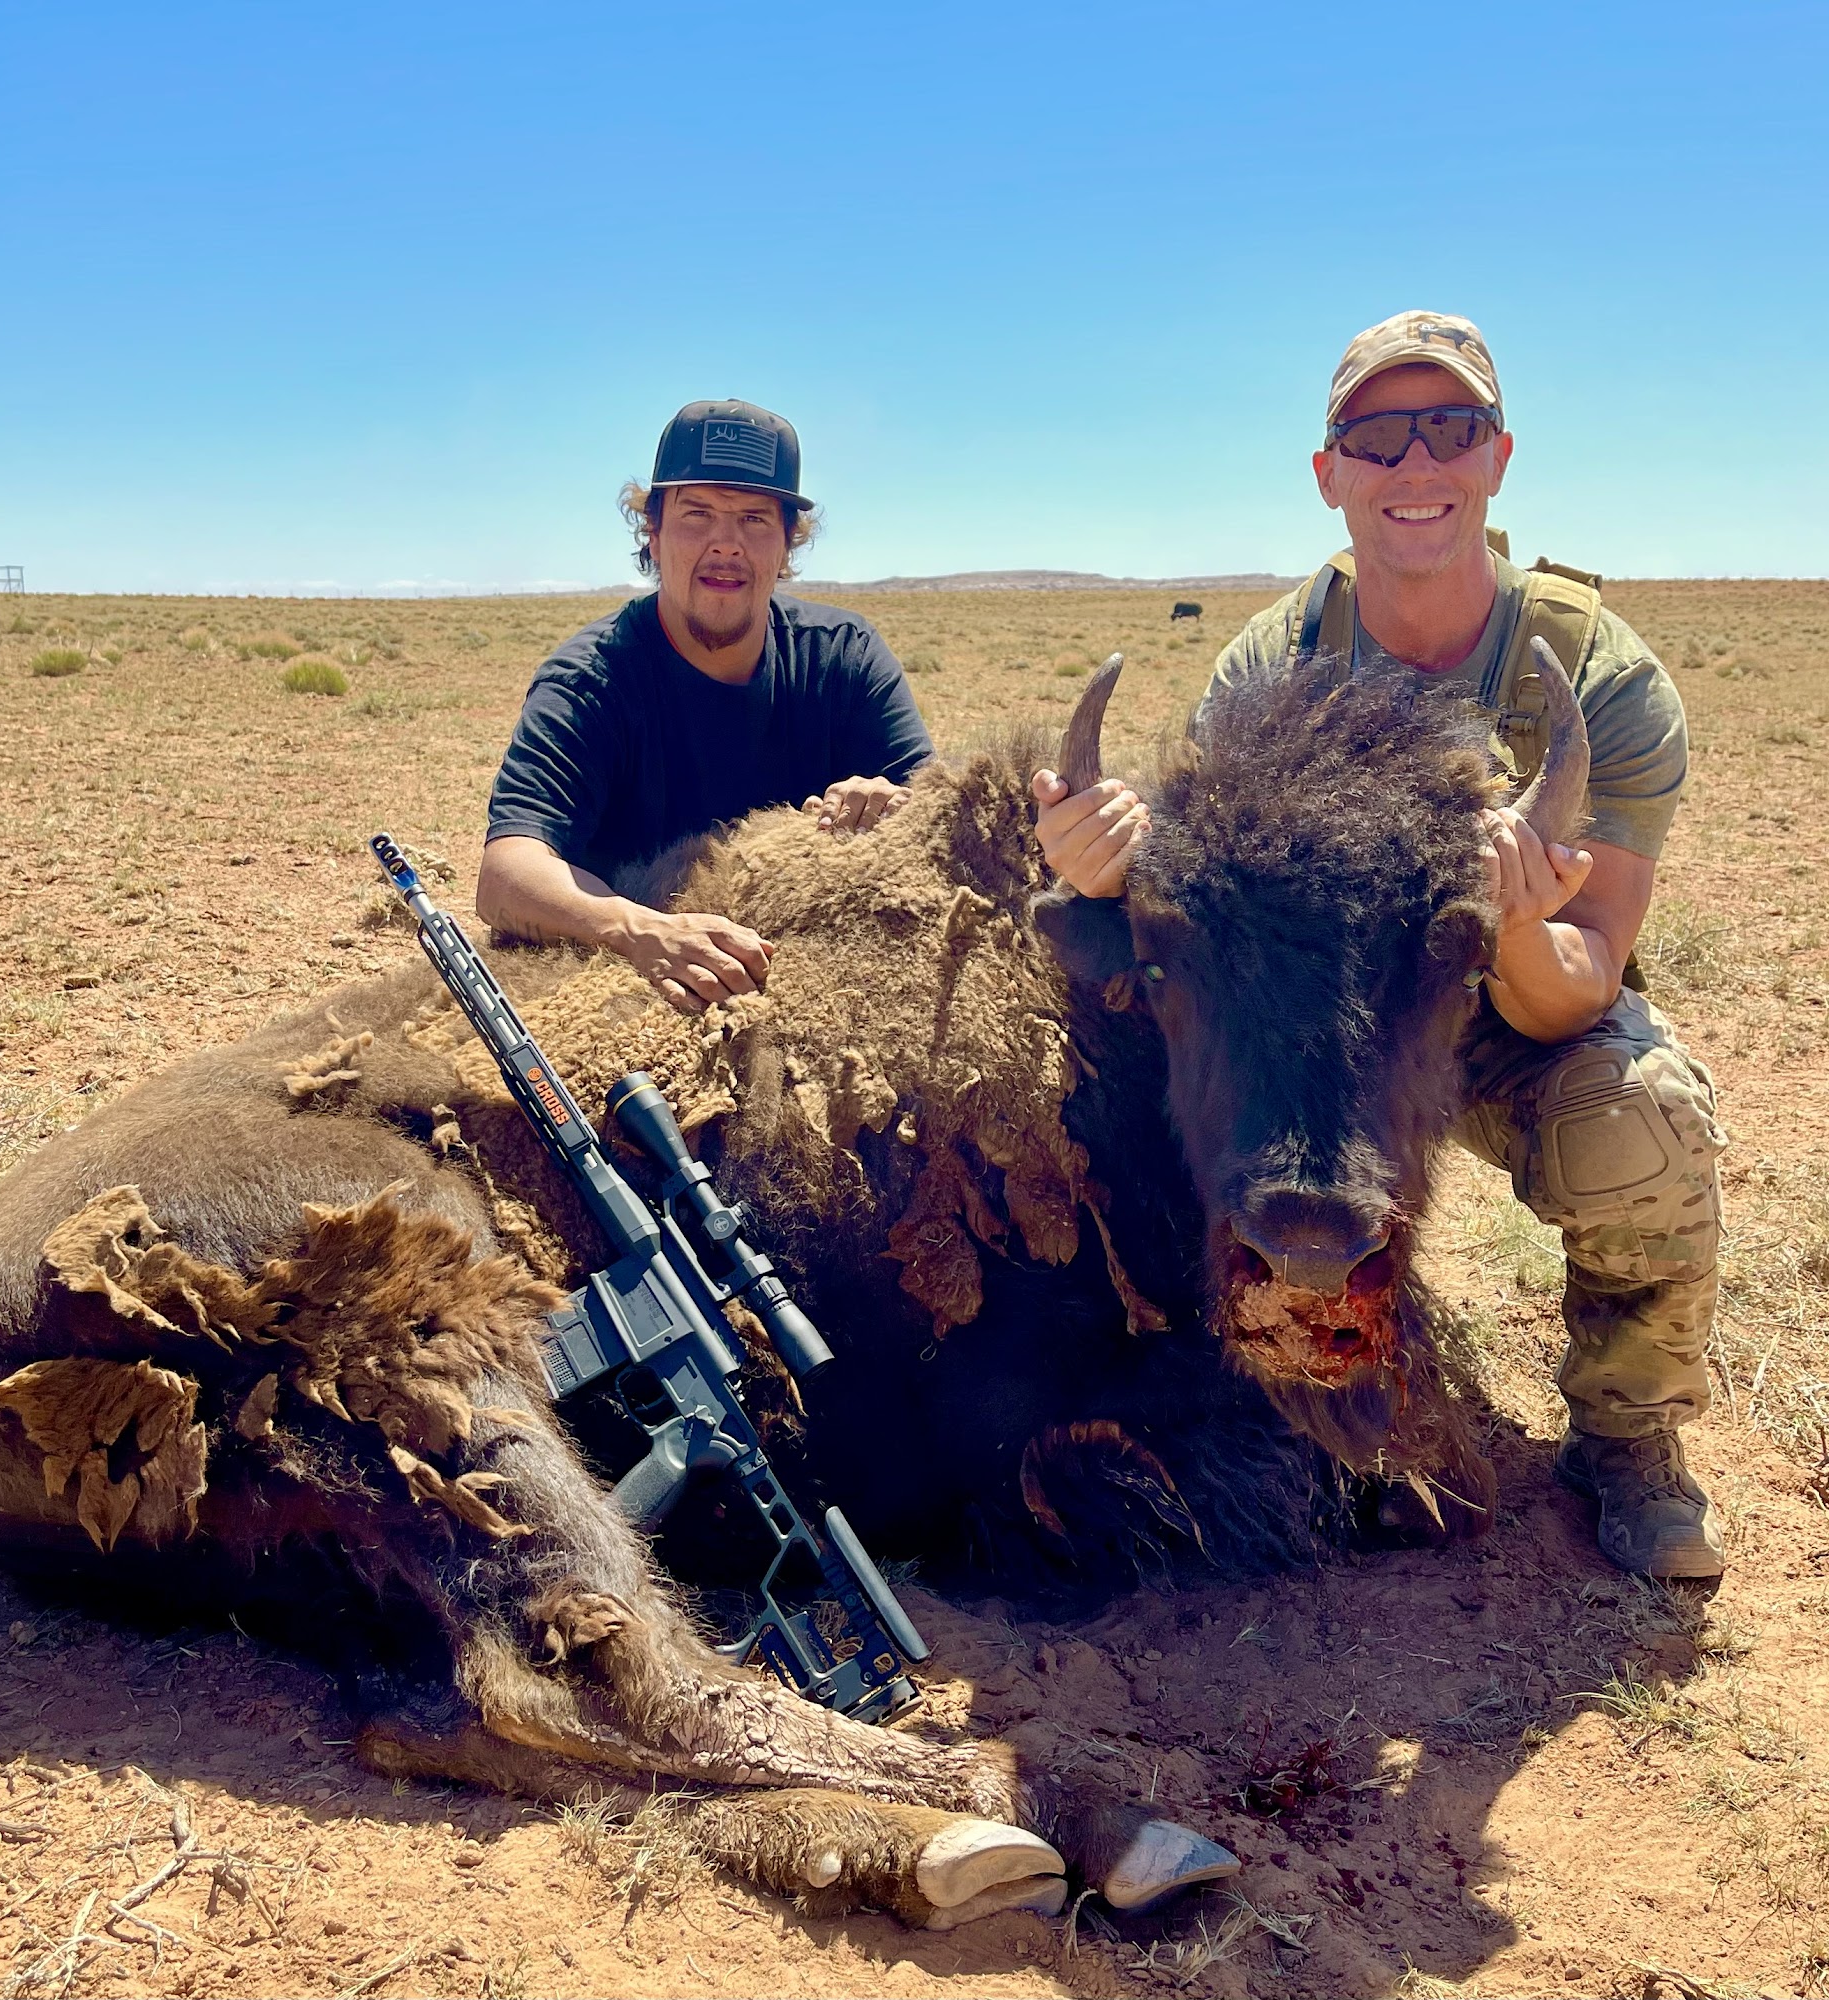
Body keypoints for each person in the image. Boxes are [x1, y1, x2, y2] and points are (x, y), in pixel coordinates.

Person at [1034, 311, 1726, 1580]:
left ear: (1496, 456)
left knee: (1639, 1119)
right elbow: (1213, 918)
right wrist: (1108, 864)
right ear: (1329, 473)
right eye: (1376, 436)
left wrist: (1497, 926)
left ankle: (1628, 1442)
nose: (1415, 465)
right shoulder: (1267, 664)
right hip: (1314, 1030)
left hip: (1497, 1005)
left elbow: (1582, 976)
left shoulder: (1600, 680)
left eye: (1448, 429)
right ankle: (1244, 1346)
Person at [477, 399, 932, 1013]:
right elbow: (507, 875)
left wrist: (892, 804)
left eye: (754, 518)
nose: (727, 543)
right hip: (627, 993)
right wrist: (639, 931)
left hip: (810, 991)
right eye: (698, 515)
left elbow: (938, 822)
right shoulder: (592, 679)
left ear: (787, 544)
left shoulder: (843, 659)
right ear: (654, 534)